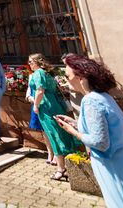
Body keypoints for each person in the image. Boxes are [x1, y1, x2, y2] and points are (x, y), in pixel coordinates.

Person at [56, 54, 123, 208]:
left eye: (67, 77)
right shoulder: (104, 96)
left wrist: (72, 131)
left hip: (112, 165)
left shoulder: (90, 101)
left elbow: (100, 142)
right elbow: (105, 128)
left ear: (81, 77)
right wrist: (76, 124)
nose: (66, 82)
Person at [28, 53, 79, 181]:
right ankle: (68, 165)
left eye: (31, 62)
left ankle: (61, 169)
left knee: (54, 135)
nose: (29, 64)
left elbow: (40, 90)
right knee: (61, 133)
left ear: (37, 62)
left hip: (46, 107)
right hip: (55, 105)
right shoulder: (46, 73)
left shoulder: (38, 73)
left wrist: (35, 105)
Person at [26, 71, 56, 165]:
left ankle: (56, 154)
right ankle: (50, 153)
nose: (29, 64)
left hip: (46, 105)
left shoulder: (46, 74)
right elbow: (29, 90)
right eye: (29, 62)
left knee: (52, 129)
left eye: (31, 61)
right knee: (44, 130)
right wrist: (28, 97)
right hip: (36, 105)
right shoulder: (31, 75)